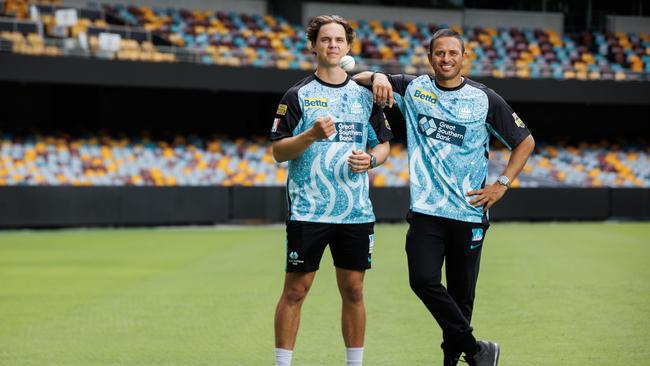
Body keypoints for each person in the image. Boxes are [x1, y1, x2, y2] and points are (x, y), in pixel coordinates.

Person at [353, 29, 535, 366]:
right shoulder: (414, 88)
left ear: (464, 57)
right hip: (427, 212)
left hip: (469, 213)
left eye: (453, 53)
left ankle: (455, 361)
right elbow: (359, 77)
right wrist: (378, 75)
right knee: (422, 279)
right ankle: (479, 351)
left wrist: (503, 184)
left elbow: (525, 141)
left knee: (461, 300)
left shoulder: (486, 99)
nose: (446, 59)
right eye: (440, 53)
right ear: (430, 57)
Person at [270, 15, 392, 366]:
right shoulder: (298, 95)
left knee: (354, 291)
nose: (333, 45)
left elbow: (383, 145)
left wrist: (371, 161)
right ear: (313, 46)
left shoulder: (365, 96)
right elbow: (278, 152)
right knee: (295, 290)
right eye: (325, 40)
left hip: (355, 211)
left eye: (339, 40)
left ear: (349, 47)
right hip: (309, 210)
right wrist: (310, 135)